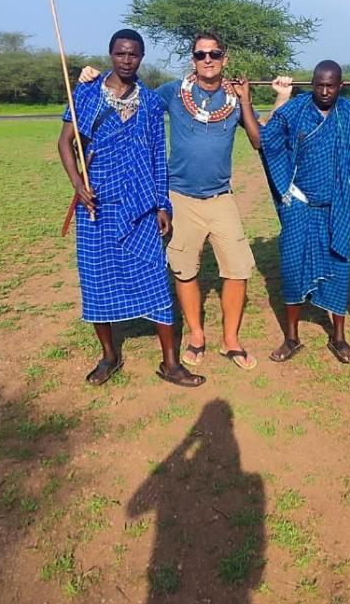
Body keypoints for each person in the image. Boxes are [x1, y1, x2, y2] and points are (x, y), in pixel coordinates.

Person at [78, 31, 261, 371]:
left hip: (221, 197)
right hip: (180, 196)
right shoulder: (174, 92)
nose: (208, 60)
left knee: (238, 269)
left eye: (214, 54)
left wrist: (247, 100)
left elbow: (257, 140)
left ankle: (231, 340)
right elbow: (130, 95)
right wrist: (95, 78)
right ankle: (196, 336)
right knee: (184, 269)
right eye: (201, 54)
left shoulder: (234, 98)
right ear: (193, 60)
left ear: (225, 59)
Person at [58, 29, 205, 389]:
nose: (127, 60)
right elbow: (64, 143)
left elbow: (157, 156)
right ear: (111, 54)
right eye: (121, 54)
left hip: (141, 206)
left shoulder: (151, 102)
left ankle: (170, 363)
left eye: (134, 54)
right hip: (97, 204)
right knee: (96, 281)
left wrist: (162, 205)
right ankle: (109, 356)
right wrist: (77, 184)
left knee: (155, 279)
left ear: (141, 57)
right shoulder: (86, 94)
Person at [261, 63, 350, 363]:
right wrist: (281, 96)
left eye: (331, 86)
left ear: (341, 86)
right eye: (319, 84)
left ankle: (339, 337)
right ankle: (292, 337)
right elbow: (267, 138)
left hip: (336, 205)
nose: (324, 91)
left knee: (339, 265)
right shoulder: (295, 109)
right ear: (312, 84)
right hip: (300, 204)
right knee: (293, 265)